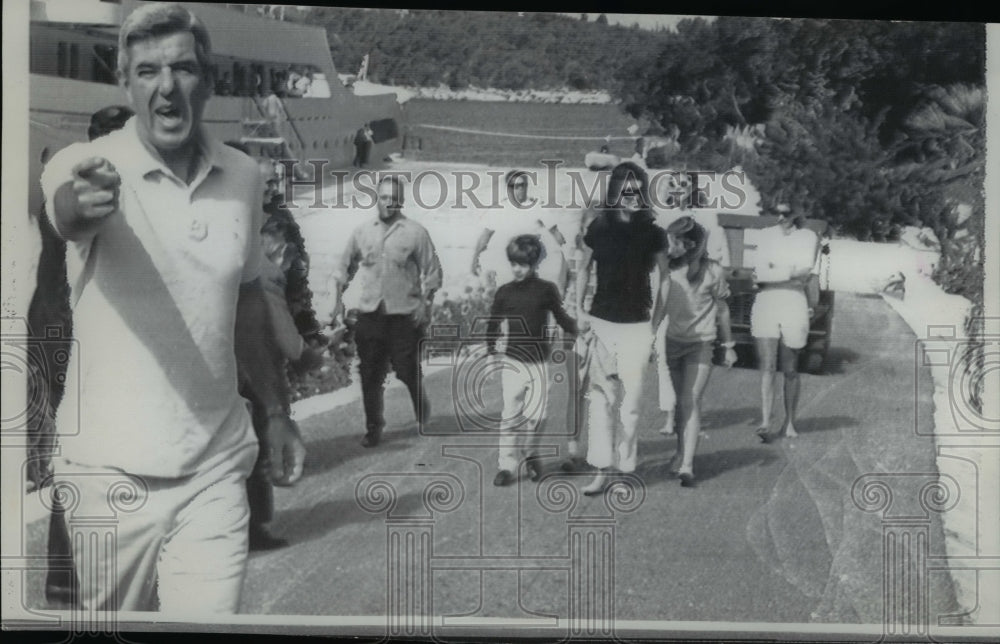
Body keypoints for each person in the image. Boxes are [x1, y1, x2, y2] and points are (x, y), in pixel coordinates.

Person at [40, 3, 305, 612]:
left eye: (183, 69)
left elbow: (243, 302)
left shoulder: (243, 175)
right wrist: (85, 204)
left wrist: (277, 410)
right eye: (148, 71)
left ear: (207, 79)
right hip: (107, 477)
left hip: (214, 471)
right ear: (125, 83)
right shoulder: (88, 163)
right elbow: (65, 212)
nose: (167, 87)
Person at [36, 105, 134, 606]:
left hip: (59, 339)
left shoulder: (67, 188)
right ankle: (73, 579)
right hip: (78, 343)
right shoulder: (90, 196)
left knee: (75, 462)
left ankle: (68, 579)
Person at [575, 162, 672, 495]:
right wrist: (578, 311)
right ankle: (602, 468)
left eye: (637, 192)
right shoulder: (599, 228)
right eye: (625, 192)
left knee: (631, 405)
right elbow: (583, 267)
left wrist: (656, 321)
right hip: (602, 322)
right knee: (601, 399)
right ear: (614, 192)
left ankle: (624, 469)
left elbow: (665, 279)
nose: (631, 198)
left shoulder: (654, 233)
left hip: (638, 325)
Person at [331, 175, 442, 447]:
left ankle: (421, 407)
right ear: (376, 199)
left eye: (394, 198)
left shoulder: (415, 232)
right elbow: (343, 268)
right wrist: (336, 300)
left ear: (401, 200)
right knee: (370, 373)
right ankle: (373, 428)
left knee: (406, 370)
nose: (389, 203)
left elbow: (433, 272)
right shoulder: (361, 232)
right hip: (370, 312)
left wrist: (425, 305)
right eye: (384, 197)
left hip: (404, 313)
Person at [486, 235, 578, 487]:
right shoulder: (504, 292)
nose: (517, 269)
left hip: (538, 363)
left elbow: (561, 317)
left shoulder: (547, 290)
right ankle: (506, 465)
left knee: (538, 416)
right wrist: (491, 354)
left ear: (534, 263)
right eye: (513, 263)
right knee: (510, 416)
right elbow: (493, 324)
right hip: (512, 364)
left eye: (523, 264)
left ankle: (530, 453)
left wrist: (579, 330)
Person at [661, 216, 737, 487]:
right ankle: (681, 451)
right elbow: (657, 307)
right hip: (673, 342)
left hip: (702, 344)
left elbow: (724, 309)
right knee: (681, 403)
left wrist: (728, 346)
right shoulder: (666, 269)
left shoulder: (712, 271)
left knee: (690, 400)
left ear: (689, 244)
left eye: (673, 240)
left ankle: (688, 464)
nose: (668, 245)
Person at [751, 206, 821, 442]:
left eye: (787, 213)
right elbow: (758, 273)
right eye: (777, 212)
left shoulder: (808, 237)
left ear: (798, 212)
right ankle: (765, 420)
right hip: (766, 303)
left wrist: (772, 272)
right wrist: (789, 272)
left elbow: (805, 273)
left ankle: (789, 421)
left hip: (794, 304)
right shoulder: (766, 235)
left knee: (790, 368)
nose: (781, 218)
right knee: (767, 365)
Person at [470, 169, 567, 292]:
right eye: (514, 186)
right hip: (505, 264)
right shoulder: (498, 209)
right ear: (508, 188)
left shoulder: (537, 207)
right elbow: (484, 237)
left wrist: (566, 258)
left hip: (532, 265)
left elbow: (557, 235)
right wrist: (474, 260)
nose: (519, 189)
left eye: (522, 185)